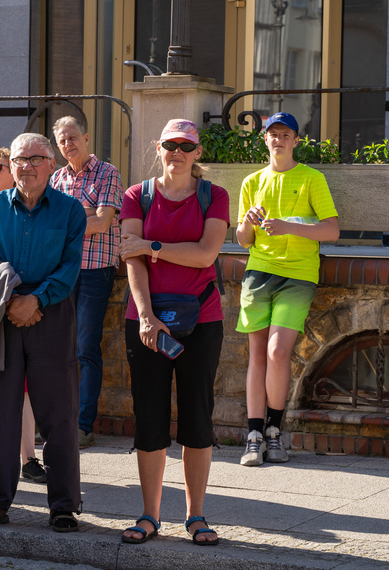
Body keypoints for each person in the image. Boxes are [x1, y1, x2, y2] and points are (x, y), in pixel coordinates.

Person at [0, 133, 86, 532]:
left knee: (59, 414)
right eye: (19, 159)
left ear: (52, 165)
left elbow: (69, 268)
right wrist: (15, 300)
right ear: (9, 165)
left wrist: (37, 299)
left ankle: (63, 505)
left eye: (36, 158)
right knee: (0, 412)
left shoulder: (70, 211)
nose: (27, 166)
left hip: (52, 315)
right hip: (1, 318)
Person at [118, 119, 229, 546]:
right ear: (158, 148)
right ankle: (149, 515)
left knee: (197, 417)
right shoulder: (137, 196)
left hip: (201, 319)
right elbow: (132, 260)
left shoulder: (212, 195)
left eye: (186, 146)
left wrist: (153, 246)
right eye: (170, 145)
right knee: (149, 417)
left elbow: (205, 256)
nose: (178, 153)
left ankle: (196, 515)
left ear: (197, 153)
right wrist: (146, 316)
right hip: (146, 321)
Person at [235, 112, 339, 467]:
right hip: (259, 271)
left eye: (285, 134)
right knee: (257, 353)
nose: (278, 139)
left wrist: (287, 227)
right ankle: (253, 436)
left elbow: (331, 231)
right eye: (272, 134)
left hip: (298, 274)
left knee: (279, 352)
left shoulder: (312, 178)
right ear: (264, 139)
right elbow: (242, 239)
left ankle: (275, 432)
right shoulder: (251, 182)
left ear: (296, 140)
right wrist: (248, 223)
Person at [49, 116, 124, 449]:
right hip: (63, 270)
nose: (68, 144)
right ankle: (55, 421)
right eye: (62, 140)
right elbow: (49, 224)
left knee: (85, 348)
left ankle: (82, 425)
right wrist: (84, 215)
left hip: (96, 270)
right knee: (57, 347)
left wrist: (67, 221)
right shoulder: (55, 178)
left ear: (87, 137)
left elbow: (104, 222)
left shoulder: (108, 173)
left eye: (73, 137)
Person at [0, 146, 46, 484]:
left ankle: (28, 458)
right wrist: (9, 302)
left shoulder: (49, 208)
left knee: (25, 391)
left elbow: (60, 263)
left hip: (35, 310)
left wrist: (31, 302)